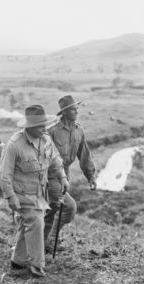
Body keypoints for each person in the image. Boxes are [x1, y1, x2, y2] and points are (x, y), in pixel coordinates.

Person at [0, 105, 69, 277]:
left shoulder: (45, 139)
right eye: (40, 126)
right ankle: (36, 266)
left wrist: (62, 176)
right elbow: (3, 175)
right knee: (36, 223)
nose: (44, 129)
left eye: (44, 125)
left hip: (40, 193)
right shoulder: (14, 145)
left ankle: (18, 260)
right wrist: (11, 196)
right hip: (21, 194)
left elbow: (54, 159)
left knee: (27, 224)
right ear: (29, 127)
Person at [44, 95, 96, 252]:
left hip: (65, 174)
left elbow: (84, 154)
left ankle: (43, 241)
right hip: (50, 175)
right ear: (65, 112)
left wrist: (91, 176)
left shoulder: (79, 130)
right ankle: (51, 239)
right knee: (69, 207)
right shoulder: (52, 131)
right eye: (73, 109)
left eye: (77, 108)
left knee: (54, 209)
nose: (77, 111)